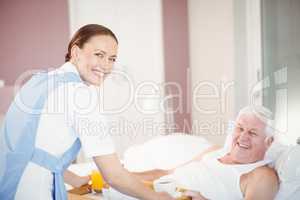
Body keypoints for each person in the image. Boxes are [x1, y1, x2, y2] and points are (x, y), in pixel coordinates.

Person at [0, 24, 174, 200]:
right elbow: (114, 175)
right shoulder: (80, 93)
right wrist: (157, 197)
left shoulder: (39, 81)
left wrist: (76, 180)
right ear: (75, 52)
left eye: (112, 59)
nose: (106, 66)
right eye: (99, 55)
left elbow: (32, 152)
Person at [133, 106, 280, 200]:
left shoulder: (262, 176)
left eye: (252, 133)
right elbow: (165, 172)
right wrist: (121, 176)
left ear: (268, 142)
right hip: (149, 192)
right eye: (240, 129)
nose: (242, 137)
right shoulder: (215, 152)